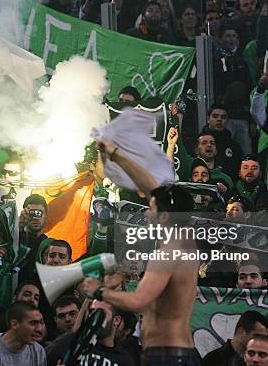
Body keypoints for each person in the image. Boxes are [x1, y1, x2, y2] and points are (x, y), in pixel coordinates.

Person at [82, 137, 200, 365]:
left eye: (151, 209)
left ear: (164, 217)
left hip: (166, 356)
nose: (146, 214)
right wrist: (115, 153)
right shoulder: (184, 242)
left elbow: (138, 302)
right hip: (174, 353)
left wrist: (99, 291)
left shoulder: (168, 253)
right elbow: (149, 185)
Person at [45, 301, 136, 365]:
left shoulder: (124, 360)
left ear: (116, 320)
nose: (94, 317)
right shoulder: (70, 341)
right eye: (92, 312)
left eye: (100, 313)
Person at [202, 311, 268, 366]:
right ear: (241, 332)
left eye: (264, 338)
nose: (261, 341)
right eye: (257, 336)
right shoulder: (213, 360)